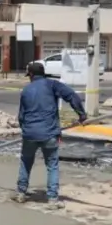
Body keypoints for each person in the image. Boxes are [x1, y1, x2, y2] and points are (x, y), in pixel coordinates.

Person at [14, 62, 87, 209]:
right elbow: (71, 95)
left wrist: (26, 131)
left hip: (30, 134)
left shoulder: (26, 90)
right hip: (49, 134)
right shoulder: (52, 85)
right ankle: (52, 199)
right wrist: (81, 115)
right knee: (52, 165)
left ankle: (21, 193)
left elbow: (21, 116)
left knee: (26, 162)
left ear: (31, 75)